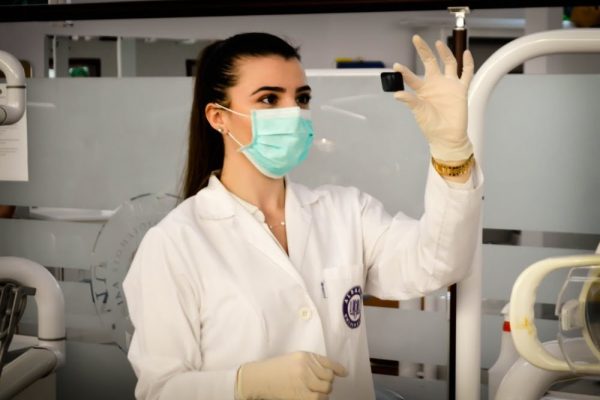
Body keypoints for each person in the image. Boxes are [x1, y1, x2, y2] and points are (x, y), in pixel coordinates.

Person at [123, 32, 483, 400]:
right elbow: (160, 389)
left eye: (302, 98)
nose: (293, 112)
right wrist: (244, 384)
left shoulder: (345, 212)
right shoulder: (175, 243)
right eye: (269, 99)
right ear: (218, 117)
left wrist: (451, 151)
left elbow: (439, 262)